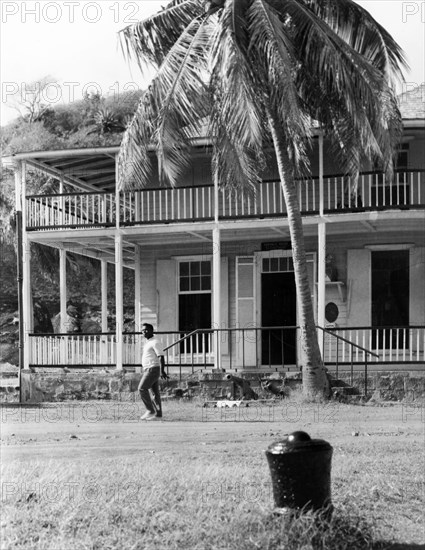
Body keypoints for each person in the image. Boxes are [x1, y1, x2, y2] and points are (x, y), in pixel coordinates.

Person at [138, 323, 168, 420]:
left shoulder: (155, 342)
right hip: (148, 368)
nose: (144, 332)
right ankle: (158, 415)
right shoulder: (148, 342)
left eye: (146, 330)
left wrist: (162, 371)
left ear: (152, 331)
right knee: (155, 392)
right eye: (142, 330)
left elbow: (161, 356)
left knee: (142, 388)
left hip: (153, 368)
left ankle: (150, 410)